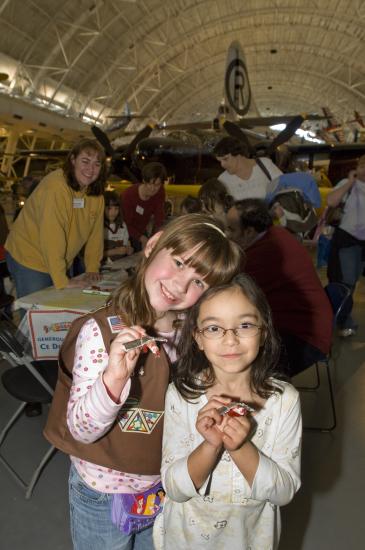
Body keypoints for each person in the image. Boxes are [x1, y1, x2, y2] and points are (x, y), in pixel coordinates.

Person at [43, 213, 242, 550]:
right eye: (178, 262)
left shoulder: (189, 335)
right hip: (103, 488)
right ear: (152, 245)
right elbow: (82, 429)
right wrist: (114, 378)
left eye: (199, 282)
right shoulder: (101, 332)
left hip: (160, 482)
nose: (180, 285)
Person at [153, 273, 302, 550]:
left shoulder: (284, 401)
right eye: (213, 328)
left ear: (264, 332)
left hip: (252, 539)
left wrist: (240, 447)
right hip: (184, 539)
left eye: (244, 325)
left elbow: (283, 492)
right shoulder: (181, 395)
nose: (230, 340)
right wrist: (210, 446)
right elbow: (173, 487)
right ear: (197, 337)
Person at [227, 199, 333, 377]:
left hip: (305, 338)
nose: (226, 234)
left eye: (231, 229)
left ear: (249, 231)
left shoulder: (263, 254)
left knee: (234, 365)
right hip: (302, 327)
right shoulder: (276, 234)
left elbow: (231, 294)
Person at [5, 138, 107, 298]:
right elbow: (52, 236)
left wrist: (93, 267)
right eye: (85, 161)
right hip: (30, 257)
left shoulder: (95, 194)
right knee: (37, 312)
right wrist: (62, 280)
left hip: (59, 259)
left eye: (97, 164)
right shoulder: (56, 187)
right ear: (73, 160)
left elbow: (96, 234)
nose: (91, 169)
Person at [327, 155, 365, 336]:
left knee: (353, 282)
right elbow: (331, 201)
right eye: (362, 165)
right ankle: (342, 319)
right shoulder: (348, 183)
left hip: (363, 243)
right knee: (346, 281)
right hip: (347, 239)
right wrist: (349, 183)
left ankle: (341, 313)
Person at [213, 136, 282, 201]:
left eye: (225, 159)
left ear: (238, 154)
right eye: (220, 161)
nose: (222, 165)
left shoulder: (265, 164)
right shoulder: (222, 180)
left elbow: (285, 188)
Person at [121, 162, 167, 251]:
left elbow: (159, 218)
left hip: (142, 231)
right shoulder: (128, 195)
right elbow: (125, 224)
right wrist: (142, 238)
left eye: (157, 185)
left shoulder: (160, 192)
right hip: (124, 234)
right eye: (150, 183)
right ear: (144, 180)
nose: (153, 188)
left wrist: (157, 237)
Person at [103, 190, 134, 262]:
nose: (113, 212)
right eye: (109, 208)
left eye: (116, 209)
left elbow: (127, 244)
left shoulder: (122, 225)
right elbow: (94, 254)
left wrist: (129, 249)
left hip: (119, 264)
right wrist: (115, 251)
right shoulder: (98, 227)